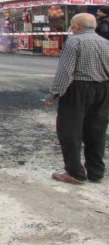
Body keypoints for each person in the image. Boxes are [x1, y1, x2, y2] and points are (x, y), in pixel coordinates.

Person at [45, 13, 109, 185]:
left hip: (78, 89)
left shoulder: (74, 42)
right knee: (97, 130)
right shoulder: (105, 43)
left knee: (70, 131)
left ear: (77, 27)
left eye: (72, 25)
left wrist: (54, 93)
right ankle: (96, 172)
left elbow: (66, 71)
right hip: (103, 89)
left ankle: (74, 172)